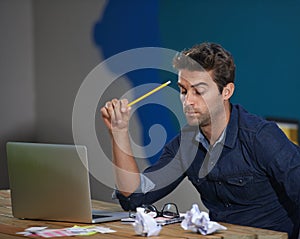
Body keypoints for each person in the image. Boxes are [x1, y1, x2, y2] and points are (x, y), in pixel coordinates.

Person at [101, 42, 300, 239]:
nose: (188, 101)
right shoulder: (186, 144)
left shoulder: (261, 137)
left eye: (199, 91)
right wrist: (119, 133)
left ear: (226, 92)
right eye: (183, 90)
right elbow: (135, 197)